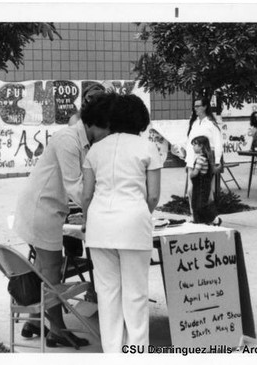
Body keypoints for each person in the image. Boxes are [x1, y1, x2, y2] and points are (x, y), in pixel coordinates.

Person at [13, 92, 115, 348]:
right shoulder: (67, 139)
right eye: (108, 129)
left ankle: (37, 320)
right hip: (41, 208)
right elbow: (76, 187)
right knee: (51, 272)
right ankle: (57, 329)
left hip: (50, 208)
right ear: (94, 124)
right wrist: (106, 209)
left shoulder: (84, 140)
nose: (109, 135)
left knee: (47, 268)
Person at [81, 94, 162, 352]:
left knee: (108, 295)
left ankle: (113, 353)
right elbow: (153, 195)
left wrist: (88, 218)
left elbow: (86, 194)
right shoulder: (148, 148)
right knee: (136, 295)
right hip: (133, 224)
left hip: (99, 226)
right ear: (141, 119)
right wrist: (139, 213)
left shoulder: (96, 149)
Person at [172, 97, 223, 220]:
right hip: (191, 162)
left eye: (198, 106)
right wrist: (183, 152)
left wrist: (216, 162)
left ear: (205, 107)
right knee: (191, 191)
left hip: (205, 163)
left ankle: (212, 218)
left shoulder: (211, 124)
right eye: (194, 106)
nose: (196, 109)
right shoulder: (194, 123)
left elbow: (218, 143)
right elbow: (189, 142)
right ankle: (195, 216)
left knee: (207, 192)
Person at [189, 136, 222, 225]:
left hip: (201, 186)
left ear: (201, 146)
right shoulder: (205, 157)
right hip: (201, 185)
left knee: (200, 205)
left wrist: (190, 174)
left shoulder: (201, 158)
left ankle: (214, 218)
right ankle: (199, 221)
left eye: (195, 144)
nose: (193, 147)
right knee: (196, 204)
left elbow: (195, 173)